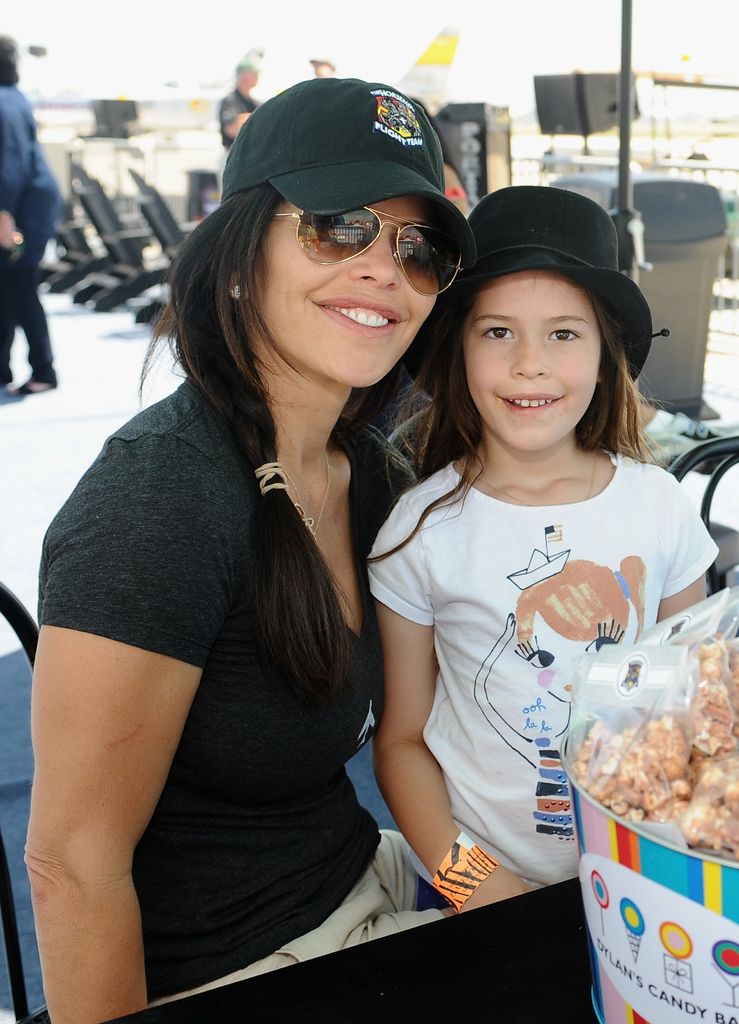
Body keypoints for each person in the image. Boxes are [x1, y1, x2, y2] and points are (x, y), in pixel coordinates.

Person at [25, 77, 475, 1024]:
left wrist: (485, 892)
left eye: (419, 251)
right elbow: (71, 863)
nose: (384, 271)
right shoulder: (159, 502)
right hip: (247, 959)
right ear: (237, 257)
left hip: (370, 874)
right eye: (338, 229)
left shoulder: (370, 472)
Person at [367, 184, 718, 914]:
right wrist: (474, 886)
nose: (530, 363)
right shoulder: (418, 530)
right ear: (459, 348)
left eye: (563, 333)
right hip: (469, 896)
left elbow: (697, 715)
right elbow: (400, 744)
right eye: (497, 331)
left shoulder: (659, 507)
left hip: (646, 881)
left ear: (606, 357)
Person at [0, 35, 62, 395]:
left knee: (21, 286)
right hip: (25, 204)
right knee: (6, 287)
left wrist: (4, 215)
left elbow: (9, 163)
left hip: (24, 209)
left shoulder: (3, 103)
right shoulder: (12, 97)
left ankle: (44, 370)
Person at [218, 50, 262, 153]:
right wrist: (254, 122)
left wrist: (245, 120)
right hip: (233, 155)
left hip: (251, 154)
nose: (257, 77)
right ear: (243, 76)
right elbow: (231, 129)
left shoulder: (255, 103)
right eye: (254, 73)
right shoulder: (229, 101)